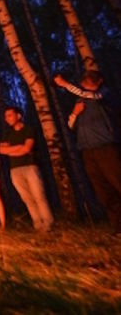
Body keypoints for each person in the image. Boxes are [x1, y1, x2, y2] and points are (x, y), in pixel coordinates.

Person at [55, 71, 121, 236]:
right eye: (85, 82)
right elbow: (70, 125)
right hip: (87, 151)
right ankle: (118, 226)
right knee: (103, 191)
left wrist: (65, 85)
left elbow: (93, 96)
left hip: (106, 148)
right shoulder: (81, 101)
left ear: (99, 82)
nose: (86, 85)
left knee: (118, 182)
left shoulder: (104, 95)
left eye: (90, 82)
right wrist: (75, 113)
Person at [0, 106, 53, 232]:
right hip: (15, 169)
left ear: (18, 116)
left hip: (30, 167)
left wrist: (12, 150)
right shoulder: (8, 134)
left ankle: (48, 223)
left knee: (38, 195)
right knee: (27, 198)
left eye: (10, 115)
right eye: (6, 116)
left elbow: (27, 148)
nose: (8, 118)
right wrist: (19, 149)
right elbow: (1, 150)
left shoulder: (28, 130)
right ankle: (37, 224)